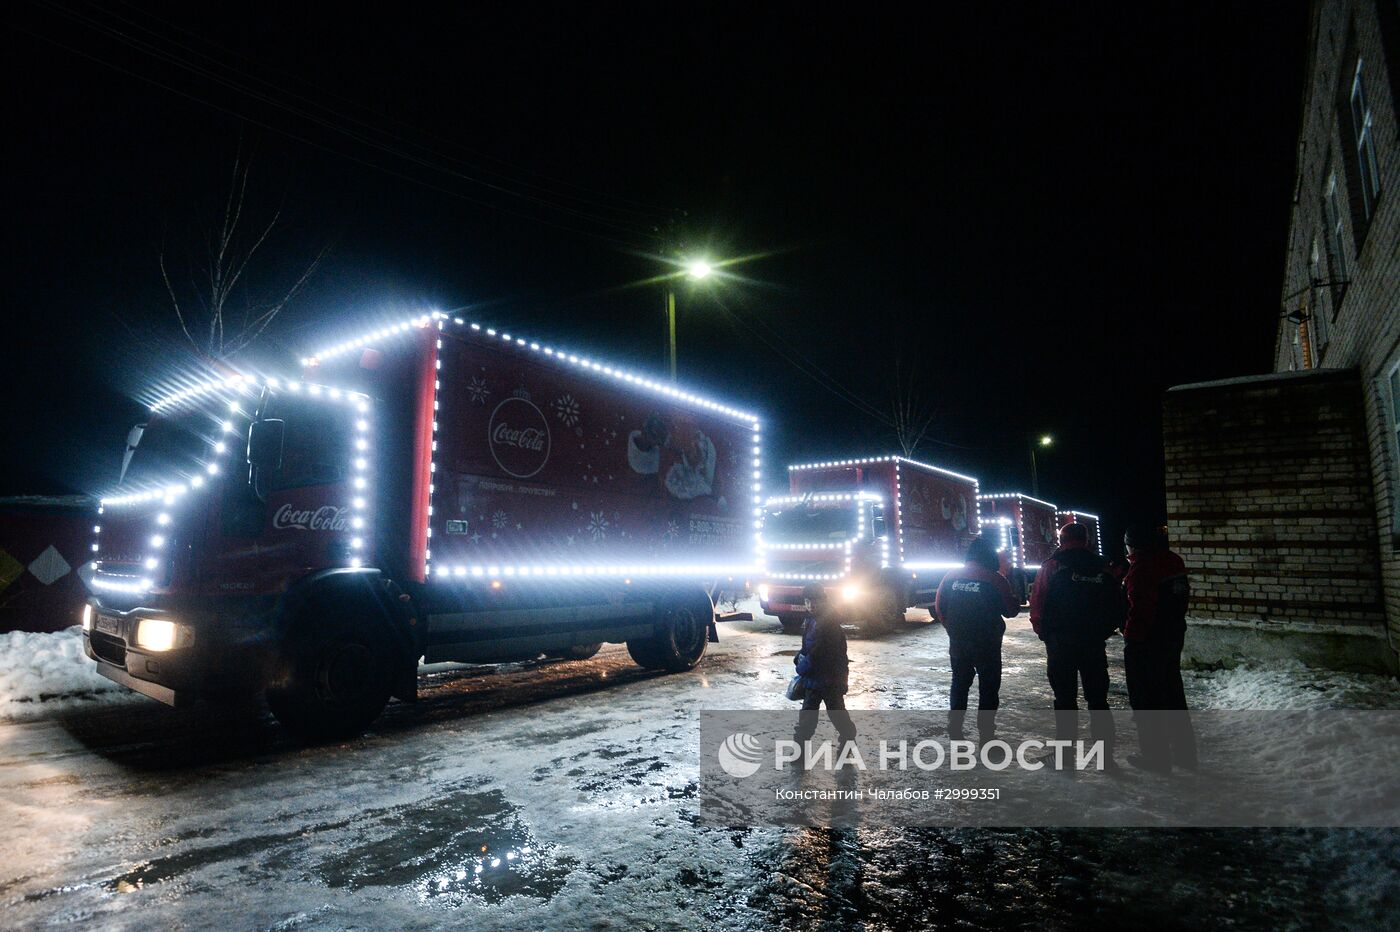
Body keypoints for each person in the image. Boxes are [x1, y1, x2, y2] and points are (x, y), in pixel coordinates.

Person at [1029, 522, 1125, 764]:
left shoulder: (1052, 565)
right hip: (1092, 642)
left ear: (1061, 540)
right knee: (1098, 699)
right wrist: (1102, 631)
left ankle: (1064, 757)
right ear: (1087, 540)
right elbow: (1117, 605)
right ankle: (1106, 758)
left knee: (1065, 700)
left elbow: (1037, 601)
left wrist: (1045, 633)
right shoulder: (1102, 567)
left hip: (1061, 643)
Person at [1122, 523, 1197, 773]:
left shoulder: (1142, 568)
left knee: (1146, 700)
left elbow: (1141, 608)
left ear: (1134, 544)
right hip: (1173, 635)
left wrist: (1131, 636)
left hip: (1147, 642)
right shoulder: (1173, 561)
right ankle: (1185, 755)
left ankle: (1155, 756)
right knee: (1173, 696)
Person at [934, 536, 1020, 742]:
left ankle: (955, 730)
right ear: (990, 556)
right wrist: (1008, 579)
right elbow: (1011, 610)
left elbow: (939, 607)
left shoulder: (951, 575)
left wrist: (951, 629)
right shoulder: (995, 579)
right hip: (987, 643)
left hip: (958, 640)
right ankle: (987, 737)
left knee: (959, 683)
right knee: (988, 688)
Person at [793, 583, 857, 746]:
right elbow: (809, 646)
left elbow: (819, 653)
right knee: (807, 719)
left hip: (830, 680)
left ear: (823, 601)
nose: (810, 605)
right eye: (807, 601)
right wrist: (799, 656)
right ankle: (800, 754)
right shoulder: (811, 620)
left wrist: (801, 667)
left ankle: (847, 742)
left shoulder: (828, 623)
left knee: (837, 715)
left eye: (814, 601)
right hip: (814, 680)